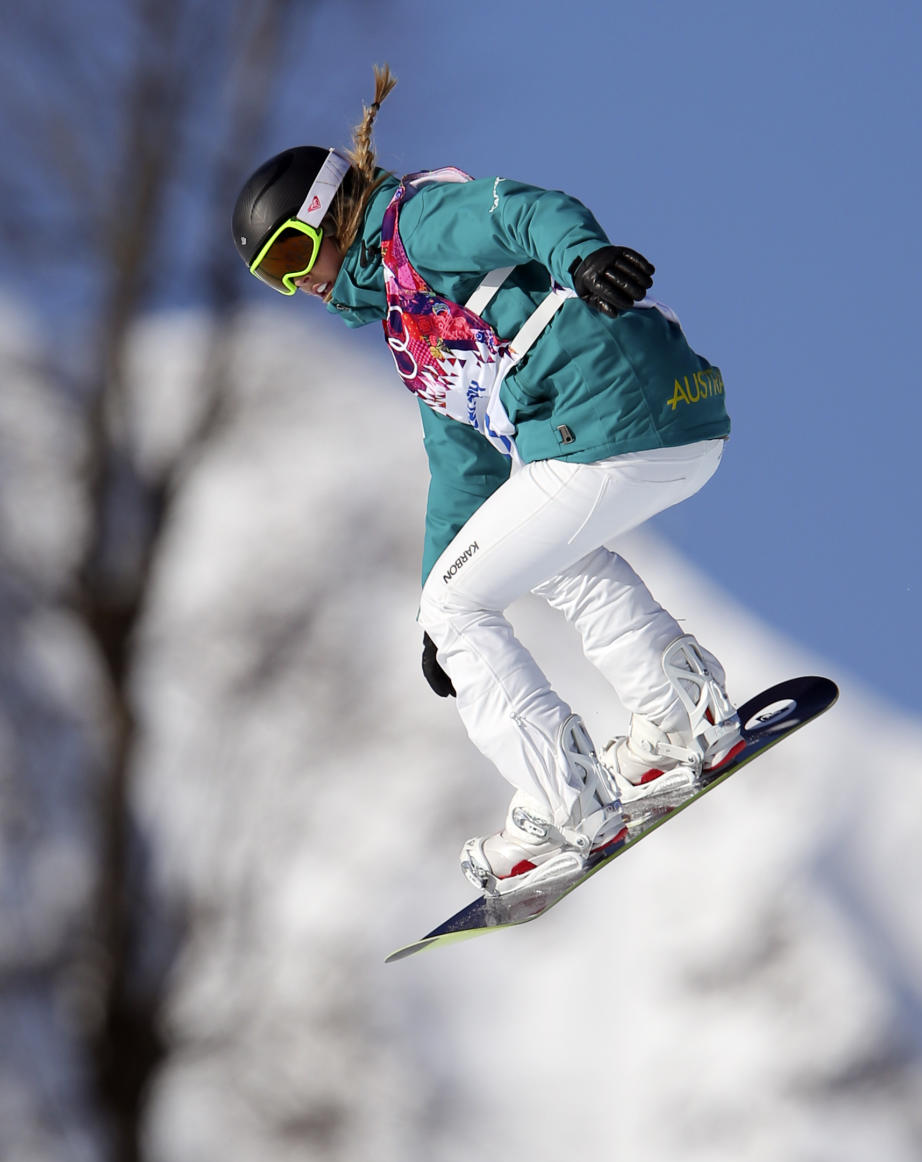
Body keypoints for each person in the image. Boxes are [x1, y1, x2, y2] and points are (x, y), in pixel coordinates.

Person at [232, 66, 745, 897]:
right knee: (533, 568)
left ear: (330, 212)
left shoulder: (419, 224)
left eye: (292, 252)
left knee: (464, 603)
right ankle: (684, 717)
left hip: (610, 412)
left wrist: (587, 259)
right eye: (272, 276)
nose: (299, 283)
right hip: (668, 420)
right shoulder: (412, 320)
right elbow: (462, 467)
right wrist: (436, 604)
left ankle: (565, 804)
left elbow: (528, 211)